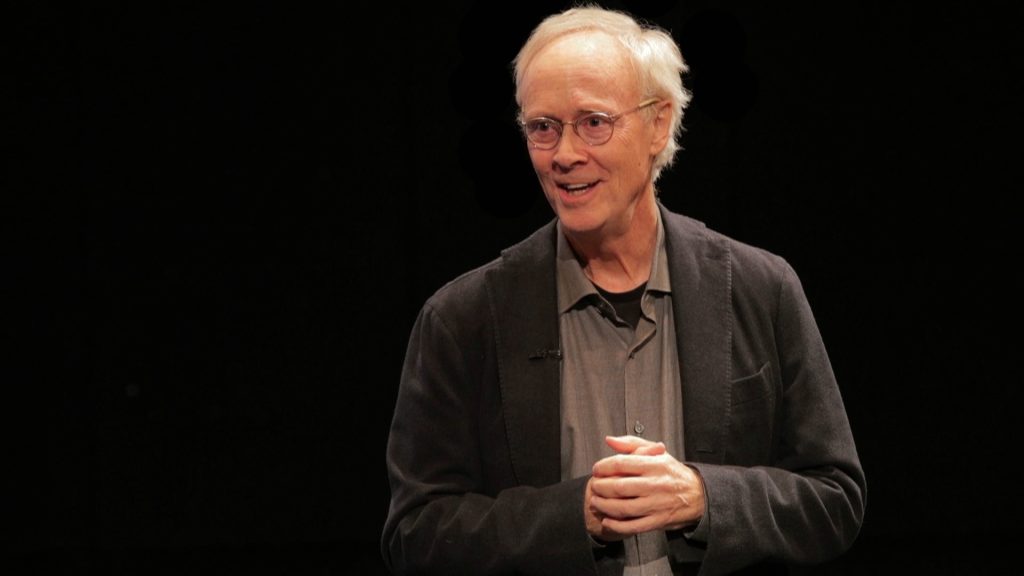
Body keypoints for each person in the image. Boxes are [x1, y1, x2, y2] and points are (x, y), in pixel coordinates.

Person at [381, 6, 865, 575]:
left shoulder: (762, 290)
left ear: (659, 124)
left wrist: (705, 498)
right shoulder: (462, 319)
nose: (564, 154)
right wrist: (570, 516)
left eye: (593, 122)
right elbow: (415, 534)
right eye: (543, 127)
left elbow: (836, 500)